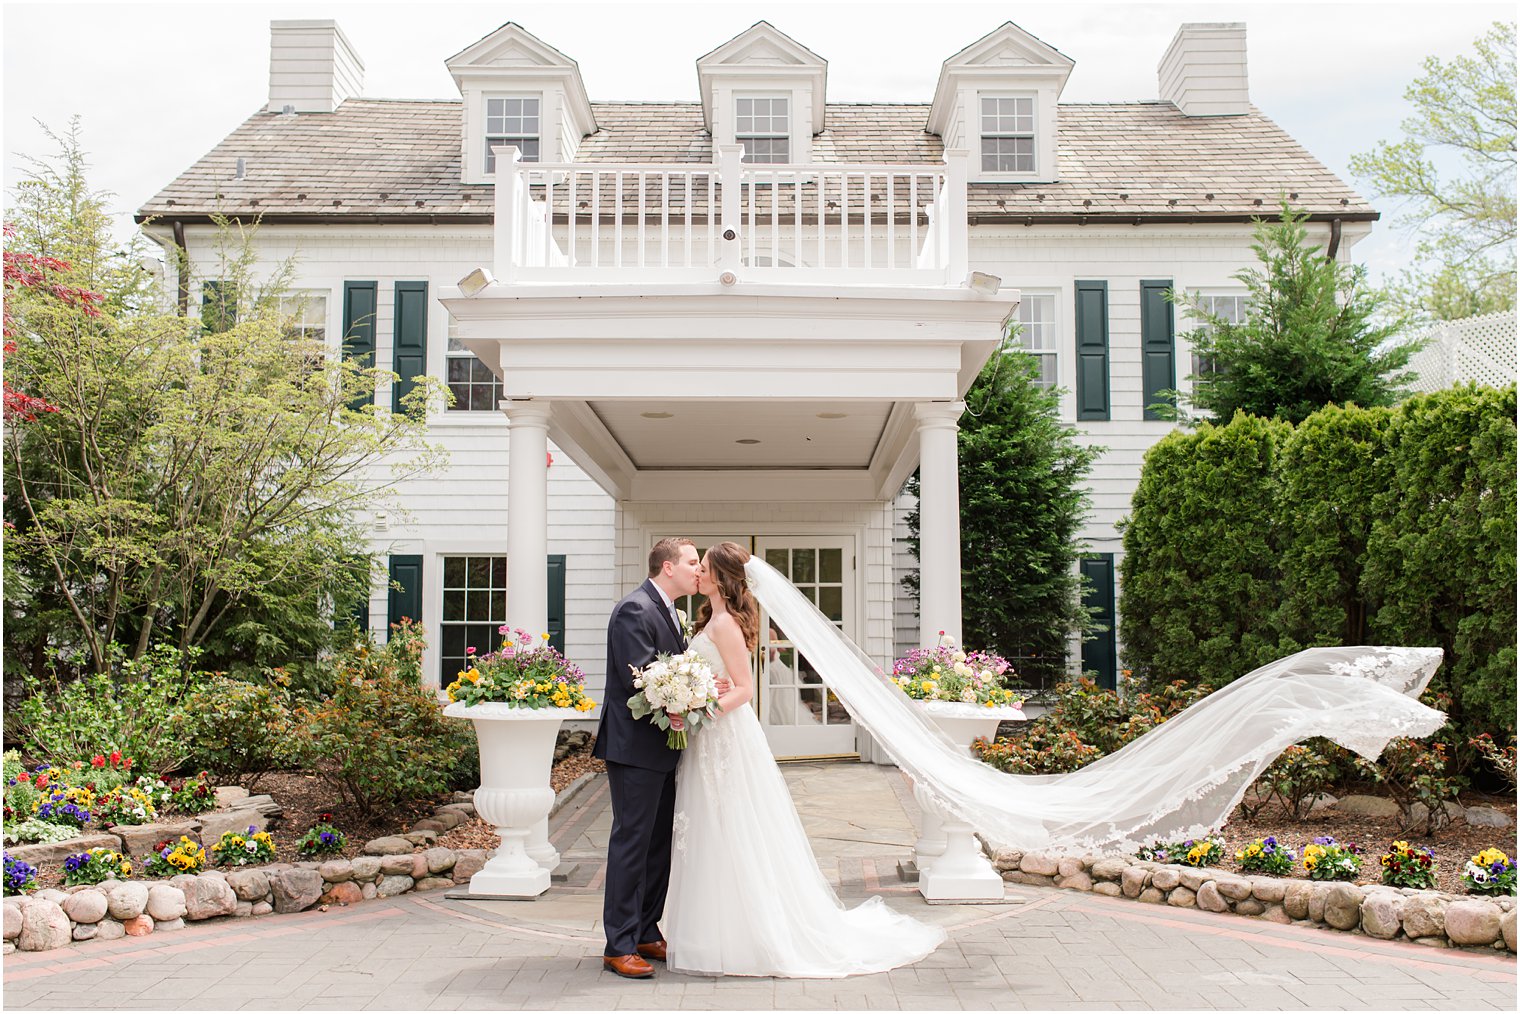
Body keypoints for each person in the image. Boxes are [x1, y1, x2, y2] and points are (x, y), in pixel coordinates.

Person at [663, 541, 946, 978]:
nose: (697, 573)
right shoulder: (710, 618)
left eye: (702, 567)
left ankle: (747, 935)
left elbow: (744, 690)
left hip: (725, 739)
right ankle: (707, 932)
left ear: (720, 577)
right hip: (708, 743)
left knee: (731, 828)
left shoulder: (725, 625)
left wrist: (698, 711)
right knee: (706, 829)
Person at [593, 536, 700, 979]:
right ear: (668, 567)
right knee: (632, 844)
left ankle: (644, 928)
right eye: (693, 562)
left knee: (658, 844)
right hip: (634, 748)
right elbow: (641, 677)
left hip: (661, 748)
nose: (699, 569)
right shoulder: (634, 609)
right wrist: (687, 697)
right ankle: (617, 944)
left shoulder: (670, 611)